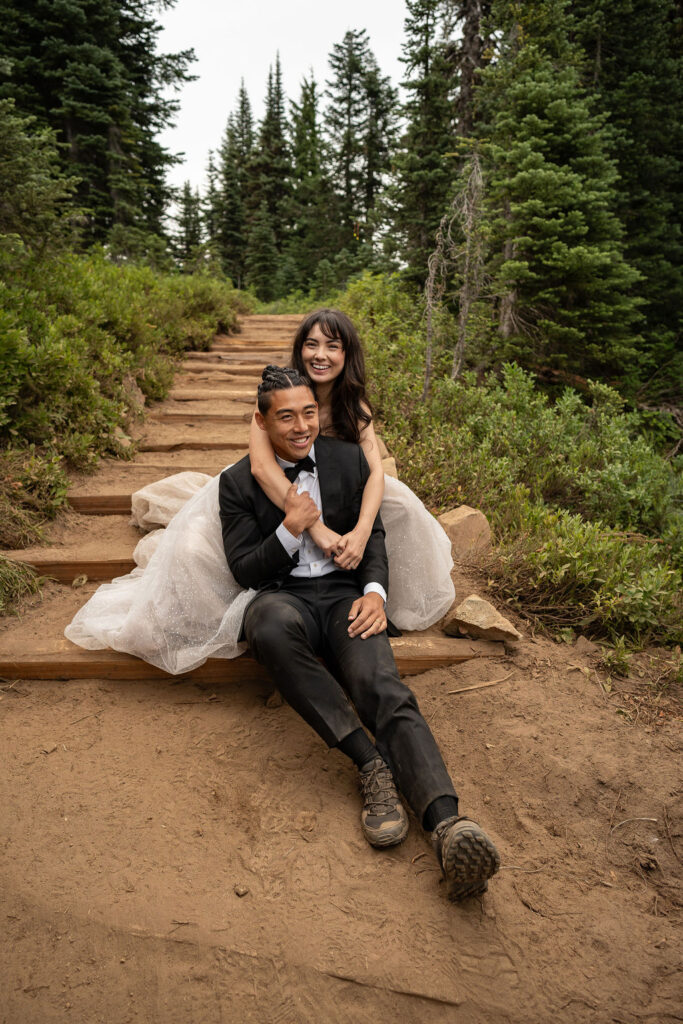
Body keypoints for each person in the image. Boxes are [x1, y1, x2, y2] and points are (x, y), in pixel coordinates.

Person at [219, 364, 500, 901]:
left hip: (347, 596)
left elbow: (374, 539)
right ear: (261, 420)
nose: (302, 426)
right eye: (286, 417)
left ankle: (447, 825)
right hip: (286, 597)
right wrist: (289, 529)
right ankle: (370, 764)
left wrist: (375, 592)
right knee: (268, 624)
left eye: (308, 413)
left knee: (384, 687)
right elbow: (243, 570)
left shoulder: (346, 459)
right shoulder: (236, 482)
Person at [65, 309, 455, 673]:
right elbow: (263, 470)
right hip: (281, 494)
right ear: (300, 349)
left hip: (339, 490)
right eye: (312, 344)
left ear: (347, 354)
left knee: (399, 499)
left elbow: (373, 472)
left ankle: (379, 593)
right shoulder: (278, 392)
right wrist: (315, 530)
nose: (321, 355)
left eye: (333, 346)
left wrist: (363, 528)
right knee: (195, 543)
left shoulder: (354, 404)